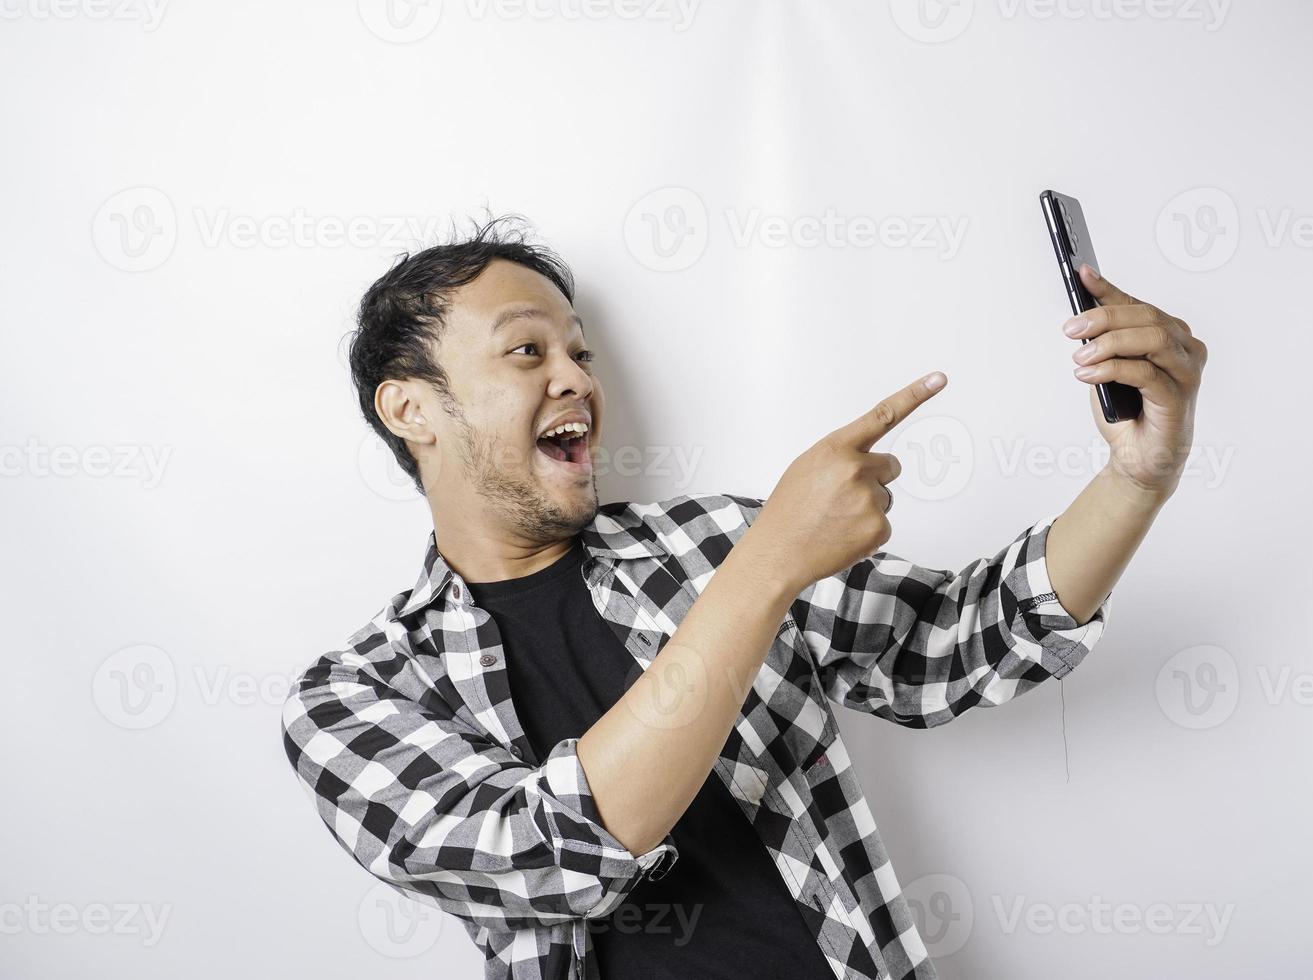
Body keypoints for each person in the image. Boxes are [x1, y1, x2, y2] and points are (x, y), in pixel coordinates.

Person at [279, 214, 1207, 980]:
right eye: (526, 350)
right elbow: (551, 854)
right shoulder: (352, 701)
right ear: (411, 409)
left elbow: (959, 646)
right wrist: (765, 570)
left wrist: (1137, 478)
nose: (576, 379)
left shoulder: (709, 544)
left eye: (580, 352)